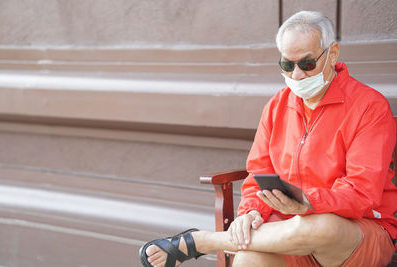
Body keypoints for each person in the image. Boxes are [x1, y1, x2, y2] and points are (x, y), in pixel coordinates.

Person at [139, 10, 397, 267]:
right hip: (283, 232)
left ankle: (203, 241)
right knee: (248, 259)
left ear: (333, 53)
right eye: (287, 64)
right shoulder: (277, 105)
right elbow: (258, 174)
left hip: (356, 236)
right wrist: (251, 211)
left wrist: (308, 204)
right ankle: (219, 240)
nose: (296, 75)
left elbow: (362, 192)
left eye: (307, 64)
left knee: (319, 227)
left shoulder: (368, 106)